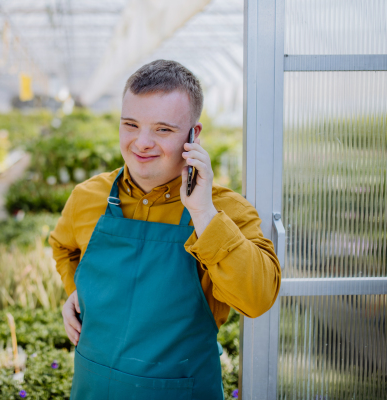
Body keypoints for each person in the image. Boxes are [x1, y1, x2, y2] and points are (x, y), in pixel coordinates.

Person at [49, 59, 281, 400]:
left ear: (193, 135)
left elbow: (258, 298)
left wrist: (202, 213)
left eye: (163, 129)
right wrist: (73, 289)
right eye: (130, 125)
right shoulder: (87, 197)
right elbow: (63, 247)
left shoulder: (226, 210)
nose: (141, 143)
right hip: (93, 387)